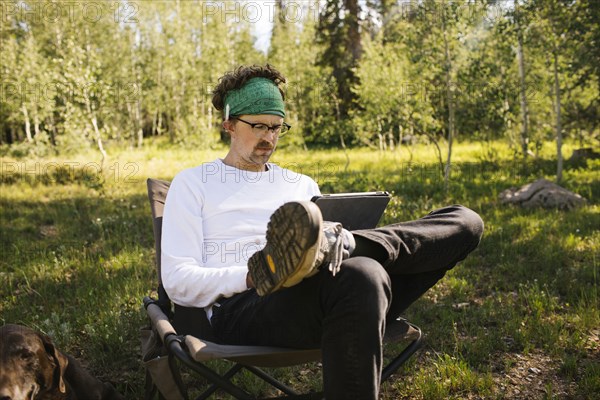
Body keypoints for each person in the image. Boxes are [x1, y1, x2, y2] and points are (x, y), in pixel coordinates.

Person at [161, 64, 484, 400]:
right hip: (246, 308)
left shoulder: (301, 185)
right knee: (364, 273)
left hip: (334, 293)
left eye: (277, 127)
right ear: (229, 124)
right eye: (258, 126)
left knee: (466, 222)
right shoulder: (194, 183)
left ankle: (346, 243)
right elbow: (177, 280)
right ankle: (327, 251)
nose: (269, 138)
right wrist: (255, 275)